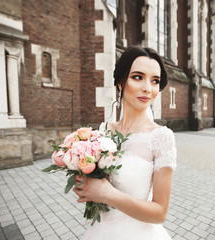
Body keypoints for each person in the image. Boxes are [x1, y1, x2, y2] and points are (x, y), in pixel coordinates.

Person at [73, 45, 177, 240]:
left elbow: (160, 213)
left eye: (155, 81)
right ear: (121, 82)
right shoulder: (104, 131)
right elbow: (94, 184)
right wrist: (84, 182)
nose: (148, 88)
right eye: (138, 77)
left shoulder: (161, 138)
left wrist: (107, 194)